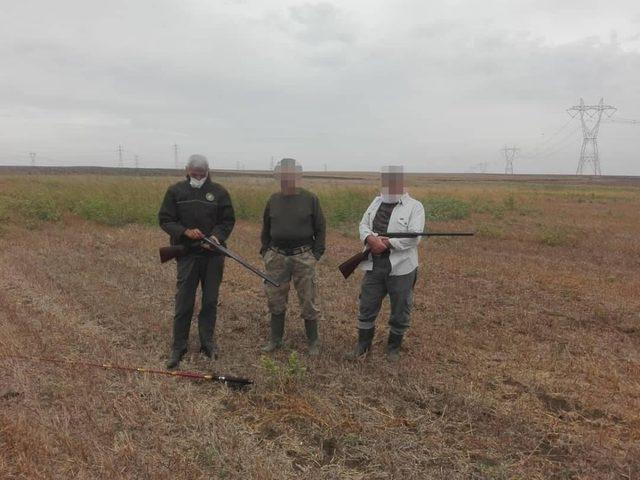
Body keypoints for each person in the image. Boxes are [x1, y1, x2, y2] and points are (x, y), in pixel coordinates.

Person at [158, 154, 235, 369]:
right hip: (187, 255)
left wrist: (216, 237)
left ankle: (207, 343)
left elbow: (227, 221)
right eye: (195, 173)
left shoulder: (220, 192)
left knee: (210, 301)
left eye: (202, 174)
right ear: (187, 170)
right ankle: (178, 346)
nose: (198, 177)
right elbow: (165, 219)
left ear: (208, 171)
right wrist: (185, 232)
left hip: (213, 256)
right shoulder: (176, 191)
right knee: (184, 302)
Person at [347, 166, 425, 361]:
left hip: (401, 268)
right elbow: (363, 225)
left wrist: (388, 243)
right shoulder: (375, 202)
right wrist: (370, 240)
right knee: (367, 304)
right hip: (374, 264)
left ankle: (393, 348)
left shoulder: (415, 206)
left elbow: (414, 237)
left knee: (401, 307)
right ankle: (362, 346)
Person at [260, 158, 326, 356]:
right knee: (275, 299)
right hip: (276, 257)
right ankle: (275, 339)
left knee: (308, 300)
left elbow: (321, 228)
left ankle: (313, 341)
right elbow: (266, 228)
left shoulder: (310, 199)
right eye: (283, 174)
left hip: (303, 256)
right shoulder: (273, 200)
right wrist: (265, 251)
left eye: (290, 174)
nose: (287, 178)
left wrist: (315, 254)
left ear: (298, 176)